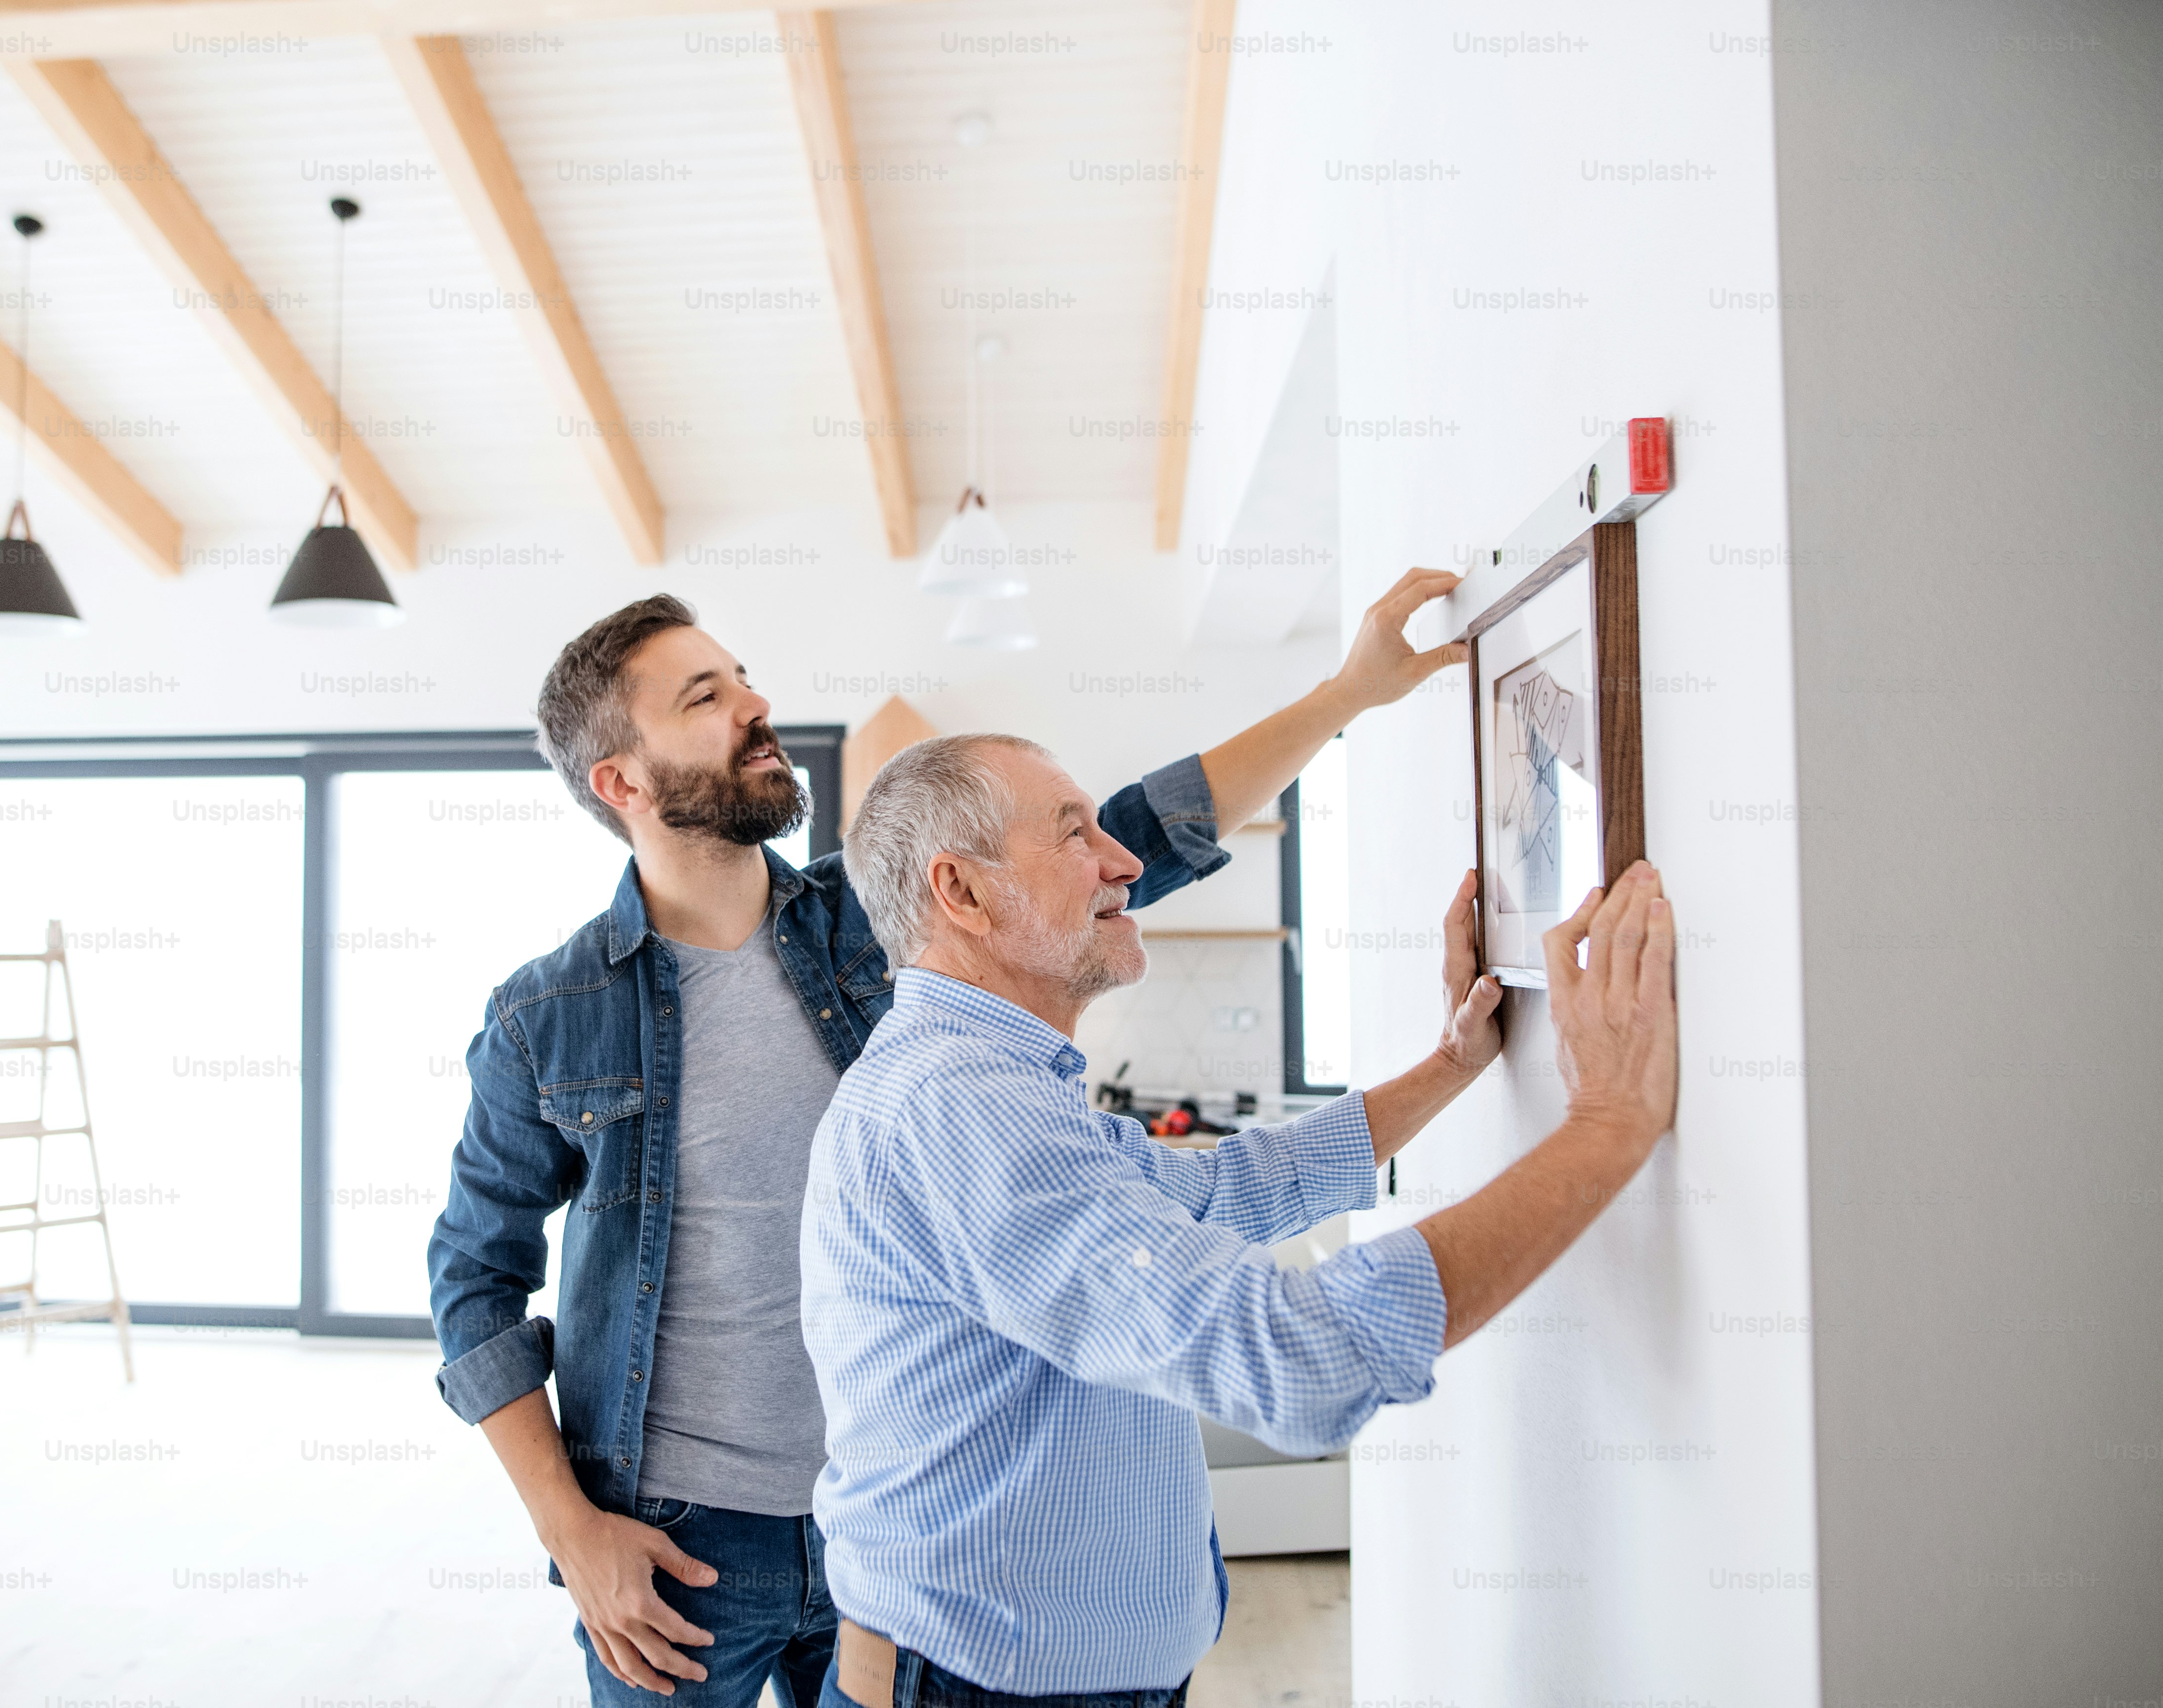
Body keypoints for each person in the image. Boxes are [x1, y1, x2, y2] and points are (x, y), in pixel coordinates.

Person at [428, 572, 1472, 1706]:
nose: (753, 704)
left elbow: (1135, 835)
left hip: (898, 1532)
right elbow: (474, 1283)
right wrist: (572, 1530)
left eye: (743, 677)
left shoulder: (869, 923)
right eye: (704, 697)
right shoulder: (548, 1015)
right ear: (622, 779)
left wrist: (1350, 693)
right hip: (677, 1547)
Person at [803, 733, 1679, 1708]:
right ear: (962, 893)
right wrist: (1609, 1124)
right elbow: (1300, 1355)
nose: (1125, 859)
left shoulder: (988, 1083)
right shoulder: (962, 1105)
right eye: (1074, 834)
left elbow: (1225, 1196)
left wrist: (1451, 1066)